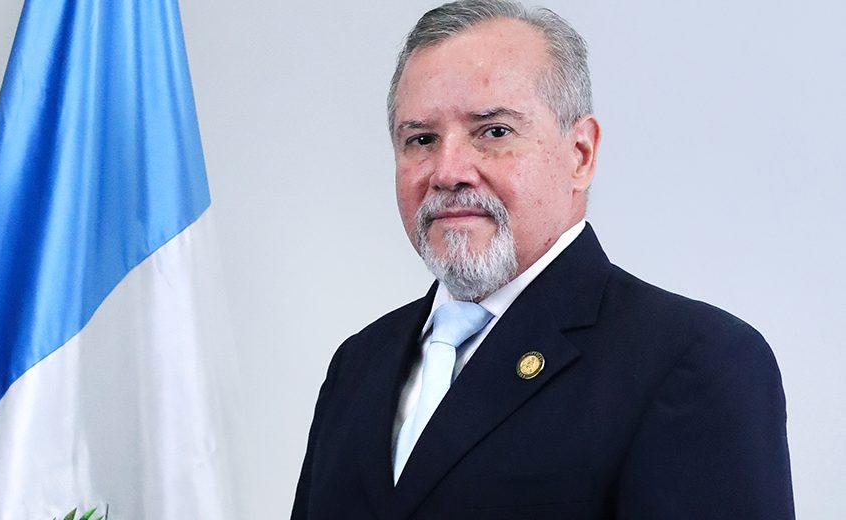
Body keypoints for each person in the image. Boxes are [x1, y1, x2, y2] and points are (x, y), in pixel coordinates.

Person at [291, 1, 795, 518]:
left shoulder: (694, 363)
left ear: (580, 154)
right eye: (421, 139)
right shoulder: (359, 365)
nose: (447, 171)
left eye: (494, 132)